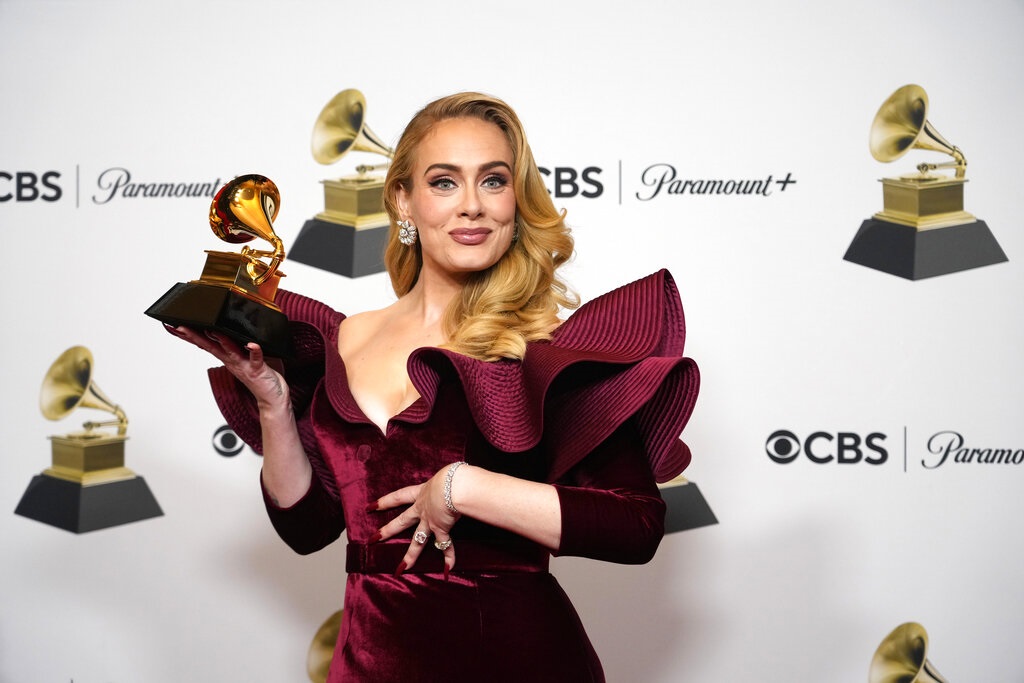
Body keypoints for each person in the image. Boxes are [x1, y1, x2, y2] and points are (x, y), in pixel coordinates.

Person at [167, 92, 700, 682]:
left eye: (493, 182)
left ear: (516, 202)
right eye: (444, 182)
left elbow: (637, 527)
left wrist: (460, 487)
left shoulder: (545, 350)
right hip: (369, 660)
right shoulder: (344, 339)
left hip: (518, 660)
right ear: (403, 199)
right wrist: (273, 403)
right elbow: (309, 529)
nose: (471, 206)